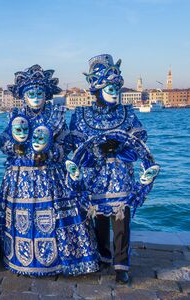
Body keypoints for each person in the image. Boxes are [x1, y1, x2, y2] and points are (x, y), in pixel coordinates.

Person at [0, 65, 99, 276]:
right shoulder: (14, 115)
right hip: (20, 176)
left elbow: (68, 144)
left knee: (54, 215)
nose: (35, 97)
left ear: (47, 95)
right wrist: (14, 147)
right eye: (31, 93)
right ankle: (21, 259)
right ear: (23, 95)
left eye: (39, 93)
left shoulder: (57, 115)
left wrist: (50, 153)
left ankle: (58, 260)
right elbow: (4, 141)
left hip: (50, 175)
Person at [68, 54, 159, 283]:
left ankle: (121, 266)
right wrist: (98, 151)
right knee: (98, 219)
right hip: (94, 177)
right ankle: (102, 256)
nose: (114, 91)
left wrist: (118, 147)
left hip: (121, 176)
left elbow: (139, 143)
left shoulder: (127, 113)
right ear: (98, 88)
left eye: (116, 87)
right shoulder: (81, 115)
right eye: (110, 86)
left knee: (121, 221)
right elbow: (76, 147)